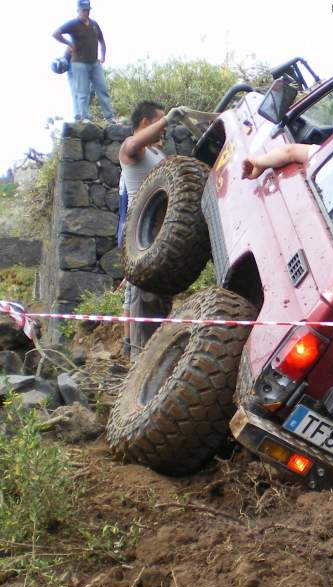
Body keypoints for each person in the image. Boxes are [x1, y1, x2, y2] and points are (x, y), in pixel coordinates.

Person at [118, 101, 184, 357]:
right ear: (146, 123)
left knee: (159, 300)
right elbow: (134, 144)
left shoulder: (157, 154)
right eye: (158, 121)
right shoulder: (133, 149)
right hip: (141, 239)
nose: (164, 127)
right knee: (141, 300)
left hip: (161, 239)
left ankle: (147, 356)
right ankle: (136, 357)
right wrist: (167, 119)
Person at [53, 0, 115, 123]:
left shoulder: (94, 24)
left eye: (87, 10)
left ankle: (110, 117)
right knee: (83, 92)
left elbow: (102, 41)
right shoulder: (73, 24)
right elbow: (55, 33)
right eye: (83, 10)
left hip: (94, 63)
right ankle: (85, 117)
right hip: (79, 64)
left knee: (102, 89)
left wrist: (103, 56)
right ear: (78, 10)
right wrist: (69, 43)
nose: (86, 12)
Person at [241, 144, 319, 180]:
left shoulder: (325, 154)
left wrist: (259, 161)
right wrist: (261, 164)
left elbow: (290, 152)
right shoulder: (326, 155)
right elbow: (290, 153)